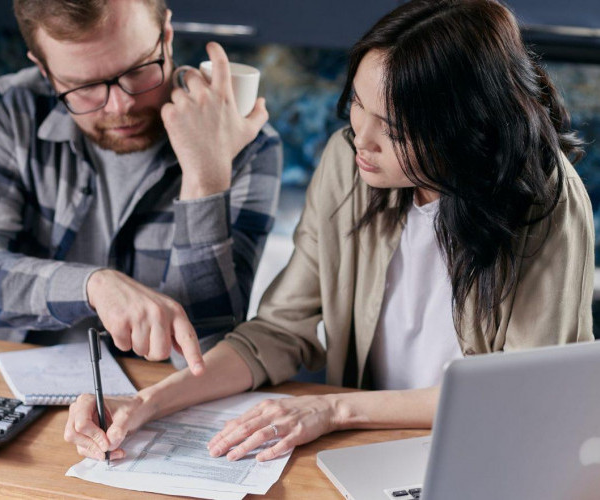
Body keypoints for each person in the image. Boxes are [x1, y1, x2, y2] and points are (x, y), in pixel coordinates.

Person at [65, 0, 594, 463]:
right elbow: (277, 332)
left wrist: (332, 407)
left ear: (464, 129)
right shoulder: (348, 164)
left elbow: (518, 395)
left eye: (392, 128)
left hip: (483, 454)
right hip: (365, 448)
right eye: (358, 104)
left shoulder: (545, 199)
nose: (359, 137)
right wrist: (147, 403)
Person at [0, 0, 282, 371]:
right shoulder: (14, 108)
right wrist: (92, 287)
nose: (121, 106)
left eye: (137, 70)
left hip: (160, 397)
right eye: (83, 86)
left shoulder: (247, 143)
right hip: (14, 380)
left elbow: (208, 351)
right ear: (44, 70)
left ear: (166, 36)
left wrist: (205, 178)